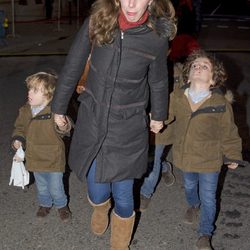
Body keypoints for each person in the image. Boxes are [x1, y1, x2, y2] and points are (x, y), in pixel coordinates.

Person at [51, 0, 176, 249]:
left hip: (129, 125)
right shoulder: (97, 22)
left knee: (124, 193)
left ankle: (120, 243)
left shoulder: (156, 37)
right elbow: (73, 67)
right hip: (93, 117)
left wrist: (158, 115)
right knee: (97, 191)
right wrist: (58, 108)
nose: (131, 4)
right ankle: (100, 208)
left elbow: (159, 81)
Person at [156, 49, 244, 250]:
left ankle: (205, 233)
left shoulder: (220, 103)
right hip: (185, 157)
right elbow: (165, 115)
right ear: (188, 74)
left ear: (213, 79)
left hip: (210, 161)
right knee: (189, 186)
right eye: (195, 65)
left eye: (205, 66)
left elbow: (229, 132)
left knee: (209, 197)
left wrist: (232, 155)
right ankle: (193, 205)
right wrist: (157, 121)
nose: (198, 67)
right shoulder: (177, 96)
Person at [12, 72, 72, 222]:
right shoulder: (25, 110)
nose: (29, 93)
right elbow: (20, 127)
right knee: (42, 186)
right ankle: (45, 204)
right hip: (35, 157)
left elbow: (66, 130)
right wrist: (18, 139)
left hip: (53, 158)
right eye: (29, 89)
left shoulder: (55, 110)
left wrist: (62, 124)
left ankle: (61, 205)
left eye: (35, 90)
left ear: (48, 95)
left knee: (56, 187)